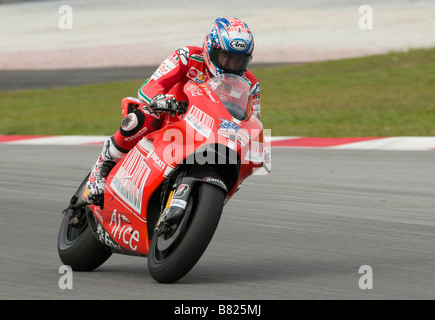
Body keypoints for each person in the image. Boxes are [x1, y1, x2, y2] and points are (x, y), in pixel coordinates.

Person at [86, 16, 262, 204]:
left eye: (239, 60)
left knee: (238, 163)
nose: (231, 65)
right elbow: (151, 84)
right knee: (144, 116)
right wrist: (160, 99)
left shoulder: (251, 85)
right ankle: (104, 165)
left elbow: (252, 121)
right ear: (210, 49)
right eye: (226, 57)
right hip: (171, 117)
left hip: (209, 133)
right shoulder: (187, 57)